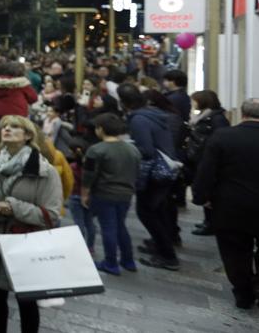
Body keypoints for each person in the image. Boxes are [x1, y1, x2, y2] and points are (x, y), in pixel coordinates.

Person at [0, 115, 62, 333]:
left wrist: (14, 207)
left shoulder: (44, 171)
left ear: (28, 135)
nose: (7, 129)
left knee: (27, 300)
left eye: (14, 127)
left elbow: (51, 215)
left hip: (27, 245)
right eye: (4, 126)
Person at [192, 97, 259, 310]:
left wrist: (201, 197)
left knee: (234, 252)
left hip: (231, 206)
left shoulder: (224, 136)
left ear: (243, 114)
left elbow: (207, 170)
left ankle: (243, 293)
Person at [121, 83, 182, 270]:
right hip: (166, 168)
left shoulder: (139, 119)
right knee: (158, 210)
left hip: (154, 172)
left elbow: (146, 150)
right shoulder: (152, 114)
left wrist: (126, 146)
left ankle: (167, 255)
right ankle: (161, 245)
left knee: (146, 212)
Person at [81, 113, 140, 276]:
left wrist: (84, 193)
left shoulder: (95, 150)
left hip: (104, 194)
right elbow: (137, 171)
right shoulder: (132, 149)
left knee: (108, 227)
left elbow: (88, 175)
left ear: (100, 129)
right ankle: (128, 261)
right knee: (120, 226)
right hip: (126, 194)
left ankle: (111, 263)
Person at [184, 90, 228, 236]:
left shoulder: (216, 119)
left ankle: (212, 224)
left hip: (207, 158)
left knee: (209, 193)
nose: (193, 103)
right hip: (200, 157)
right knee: (204, 190)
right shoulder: (204, 115)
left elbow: (219, 138)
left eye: (195, 100)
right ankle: (208, 221)